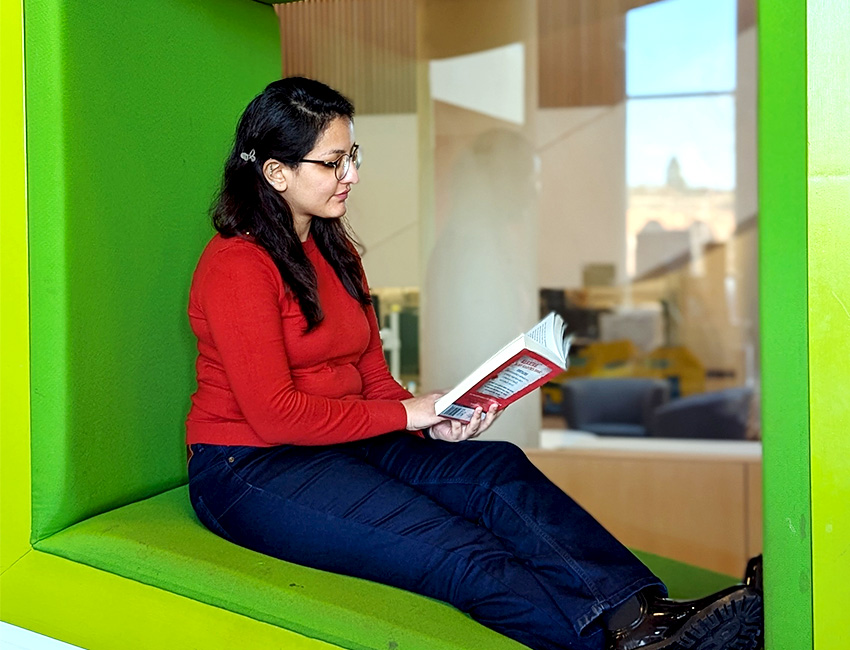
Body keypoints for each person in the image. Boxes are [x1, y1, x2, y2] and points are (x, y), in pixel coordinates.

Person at [185, 77, 763, 650]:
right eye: (334, 162)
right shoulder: (237, 265)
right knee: (462, 551)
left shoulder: (335, 247)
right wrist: (405, 416)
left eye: (353, 156)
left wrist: (434, 414)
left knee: (497, 472)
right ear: (277, 172)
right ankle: (614, 648)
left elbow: (370, 374)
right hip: (251, 466)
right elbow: (275, 415)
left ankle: (644, 618)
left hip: (340, 439)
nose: (352, 176)